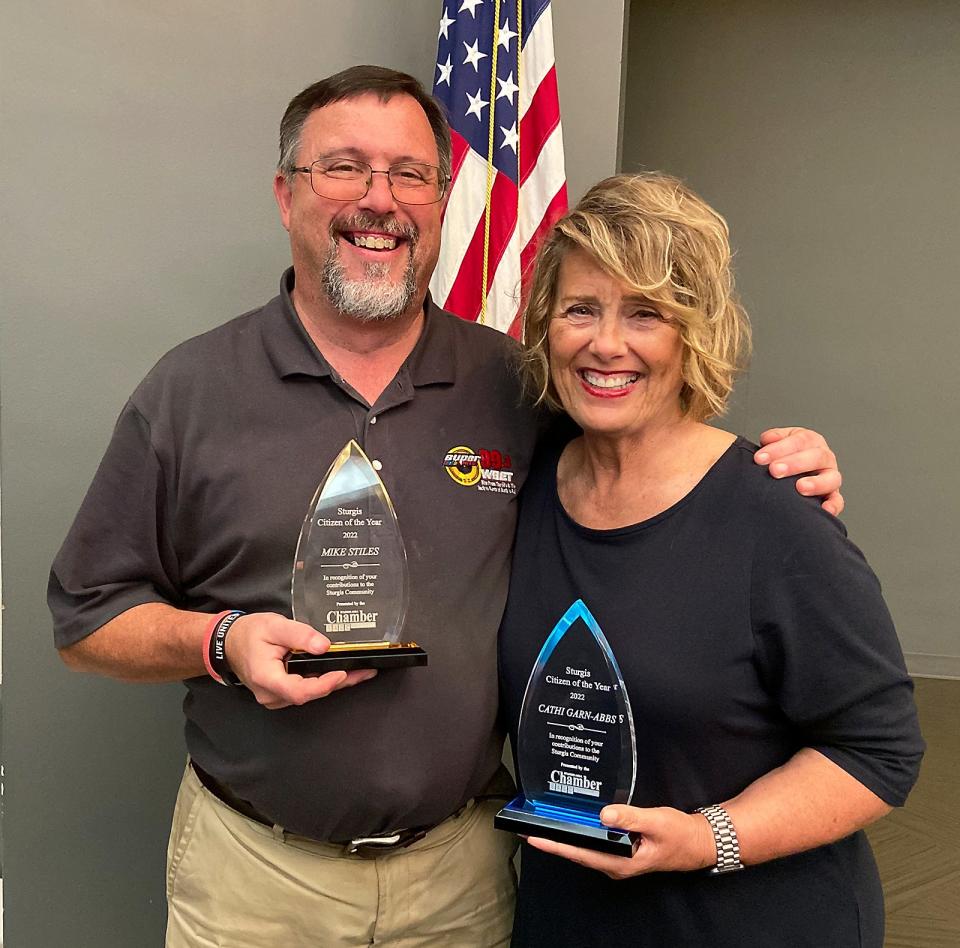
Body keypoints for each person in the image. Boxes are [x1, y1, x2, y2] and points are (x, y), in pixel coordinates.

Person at [49, 67, 844, 947]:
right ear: (286, 194)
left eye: (409, 174)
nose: (378, 201)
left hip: (463, 881)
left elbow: (639, 459)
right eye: (343, 167)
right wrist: (219, 643)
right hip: (254, 880)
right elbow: (86, 621)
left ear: (441, 199)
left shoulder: (519, 384)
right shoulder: (190, 392)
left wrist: (772, 469)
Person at [498, 173, 924, 947]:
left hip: (748, 922)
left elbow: (879, 751)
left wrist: (707, 839)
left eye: (645, 314)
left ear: (694, 334)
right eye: (580, 309)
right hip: (570, 916)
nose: (606, 343)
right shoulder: (525, 485)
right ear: (544, 326)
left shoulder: (776, 516)